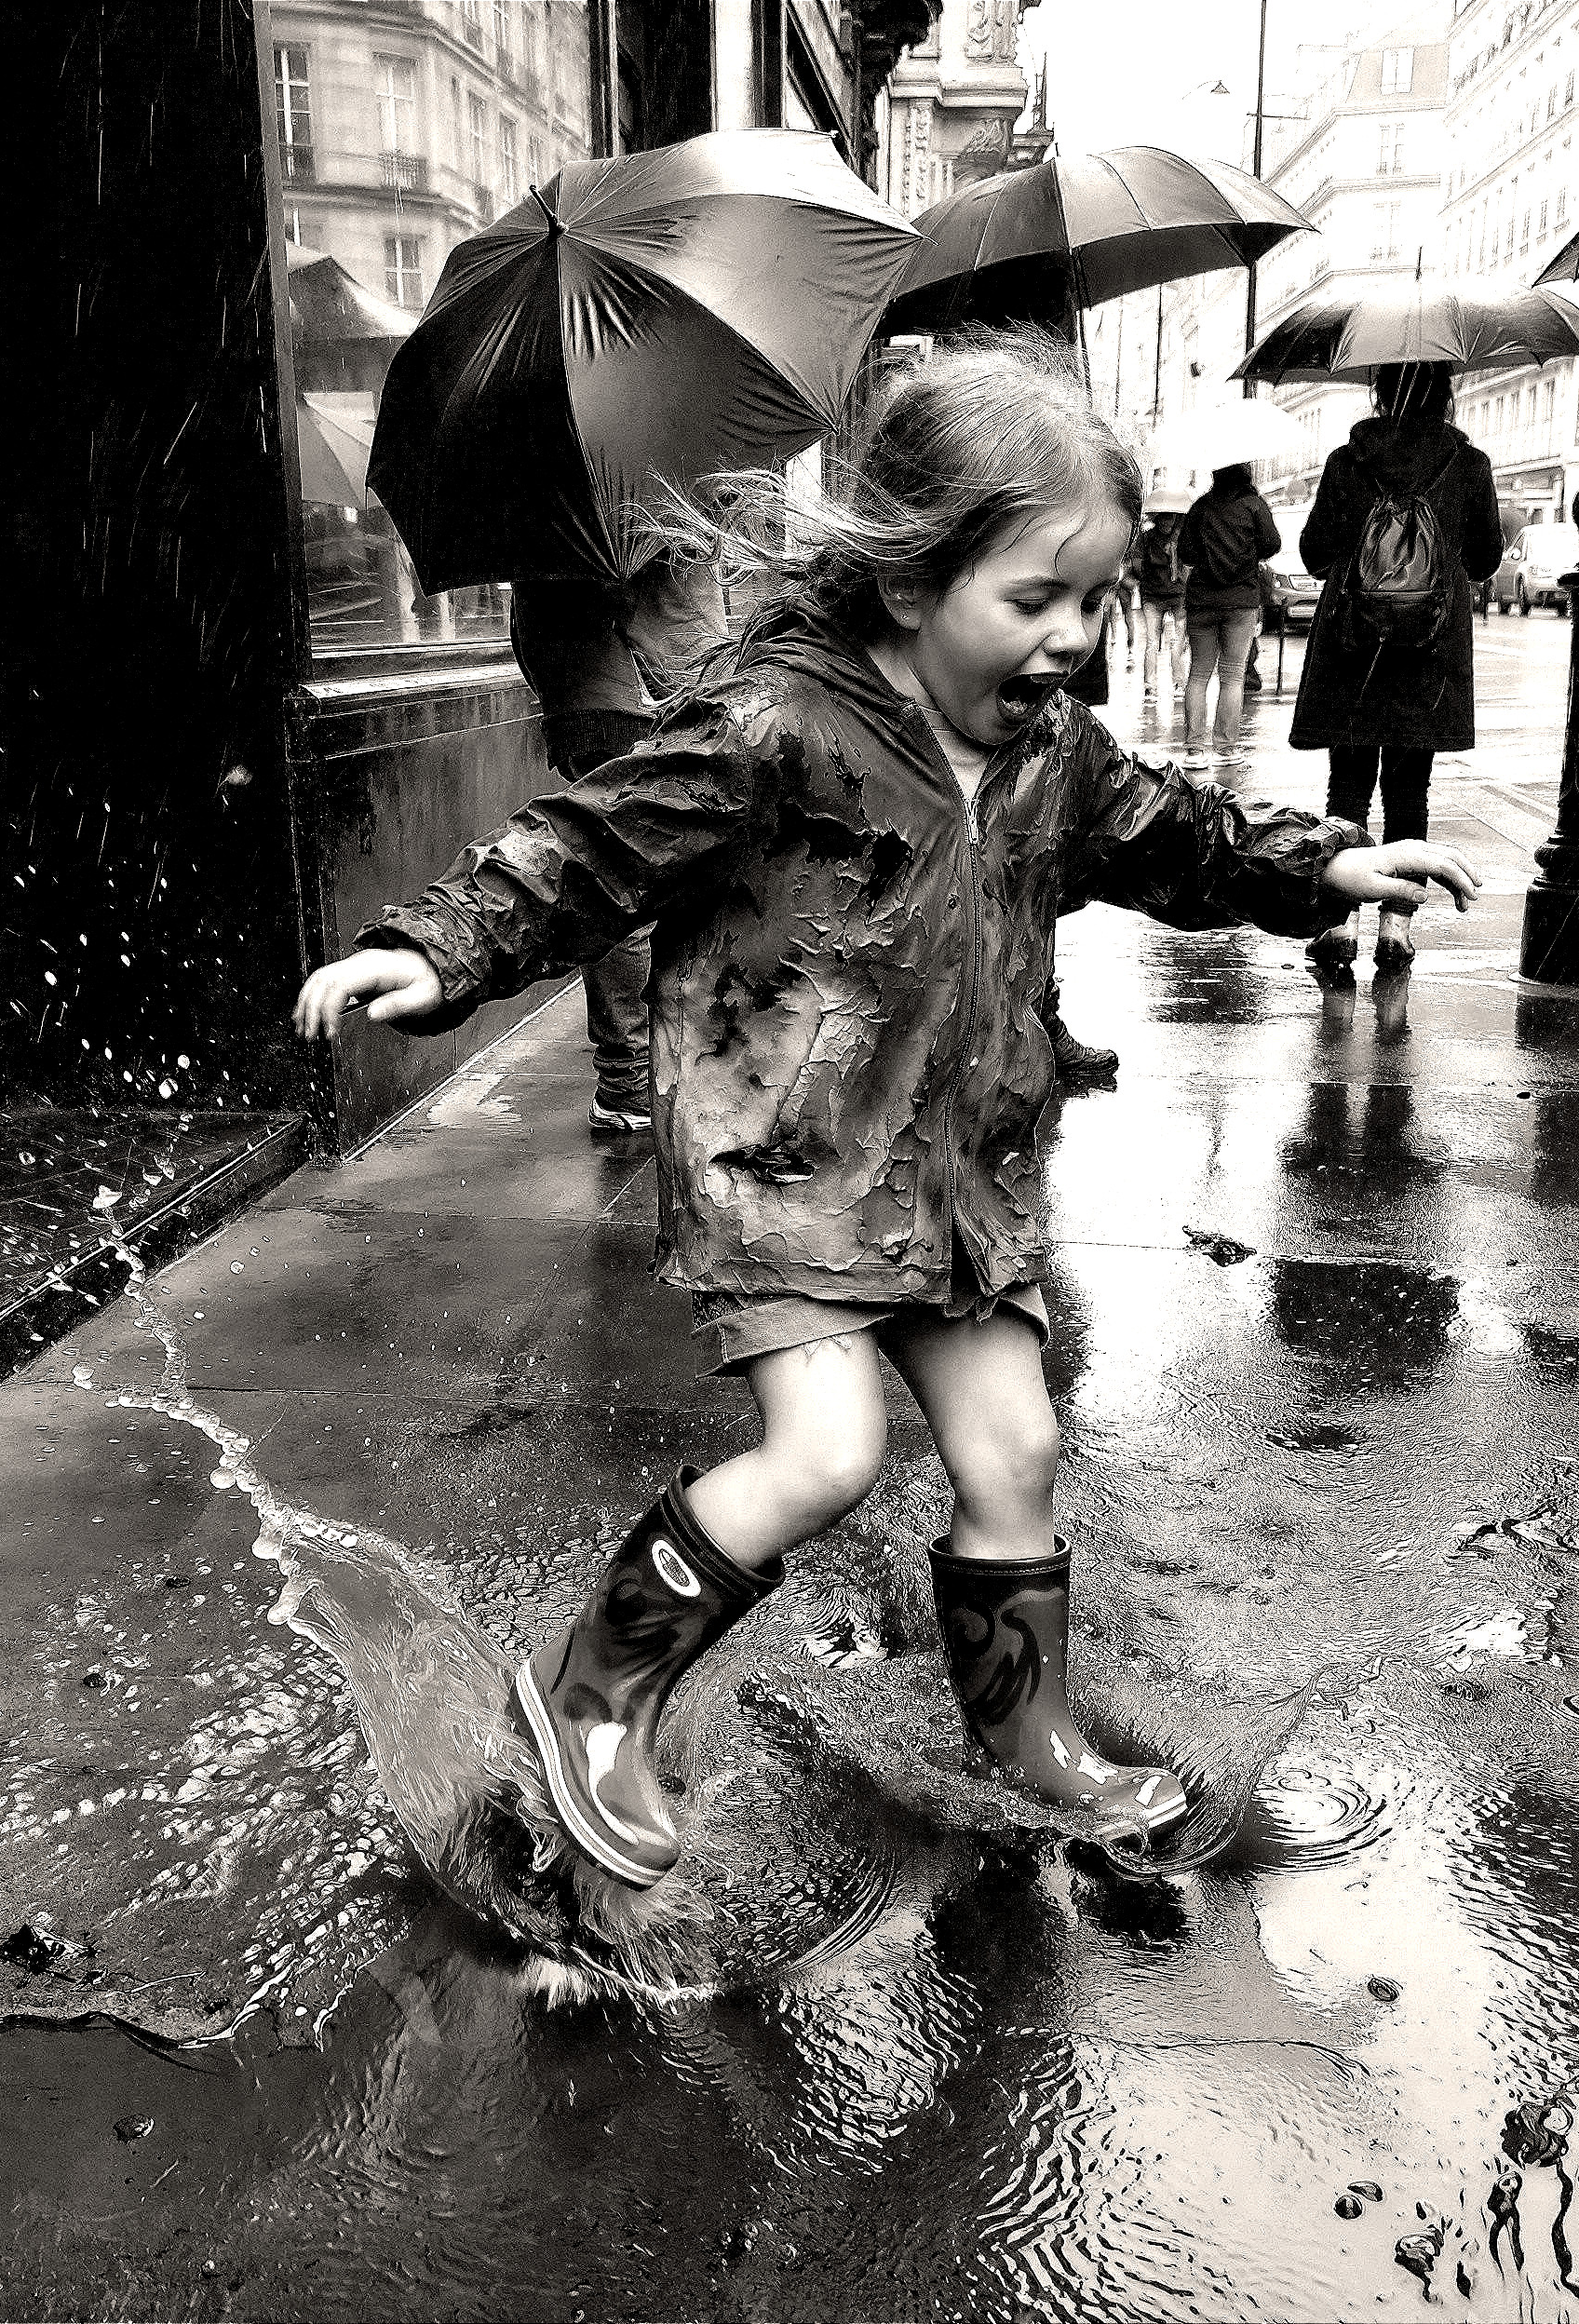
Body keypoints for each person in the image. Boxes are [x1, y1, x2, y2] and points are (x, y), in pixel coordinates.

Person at [294, 333, 1478, 1889]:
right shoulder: (777, 721)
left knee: (1011, 1447)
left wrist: (1314, 864)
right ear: (915, 581)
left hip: (955, 1172)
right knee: (828, 1447)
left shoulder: (1047, 752)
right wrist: (431, 947)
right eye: (1036, 599)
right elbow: (589, 844)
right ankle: (592, 1690)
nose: (1071, 636)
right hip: (786, 1161)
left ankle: (1023, 1730)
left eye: (1096, 600)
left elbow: (1169, 832)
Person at [1289, 362, 1505, 974]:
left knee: (1347, 790)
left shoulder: (1345, 461)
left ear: (1380, 392)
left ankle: (1339, 924)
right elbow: (1486, 559)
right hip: (1429, 654)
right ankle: (1397, 928)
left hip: (1353, 648)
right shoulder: (1469, 465)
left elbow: (1313, 554)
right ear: (1446, 393)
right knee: (1410, 793)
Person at [507, 558, 725, 1133]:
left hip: (587, 699)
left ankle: (633, 1068)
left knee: (614, 864)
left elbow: (528, 634)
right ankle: (630, 1076)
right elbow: (687, 627)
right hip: (637, 701)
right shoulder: (646, 495)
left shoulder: (554, 519)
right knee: (629, 871)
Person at [1178, 462, 1284, 758]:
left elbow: (1185, 552)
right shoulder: (1254, 505)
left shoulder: (1201, 507)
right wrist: (1247, 551)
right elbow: (1272, 544)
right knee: (1233, 676)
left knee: (1198, 674)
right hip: (1241, 600)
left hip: (1202, 600)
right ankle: (1225, 748)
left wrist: (1208, 552)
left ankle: (1195, 750)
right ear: (1245, 474)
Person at [1135, 502, 1191, 721]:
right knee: (1168, 642)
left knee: (1156, 643)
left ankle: (1154, 686)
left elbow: (1138, 567)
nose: (1167, 522)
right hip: (1167, 596)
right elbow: (1186, 568)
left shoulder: (1147, 539)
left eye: (1169, 518)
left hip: (1161, 596)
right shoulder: (1175, 538)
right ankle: (1174, 684)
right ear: (1159, 519)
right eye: (1165, 518)